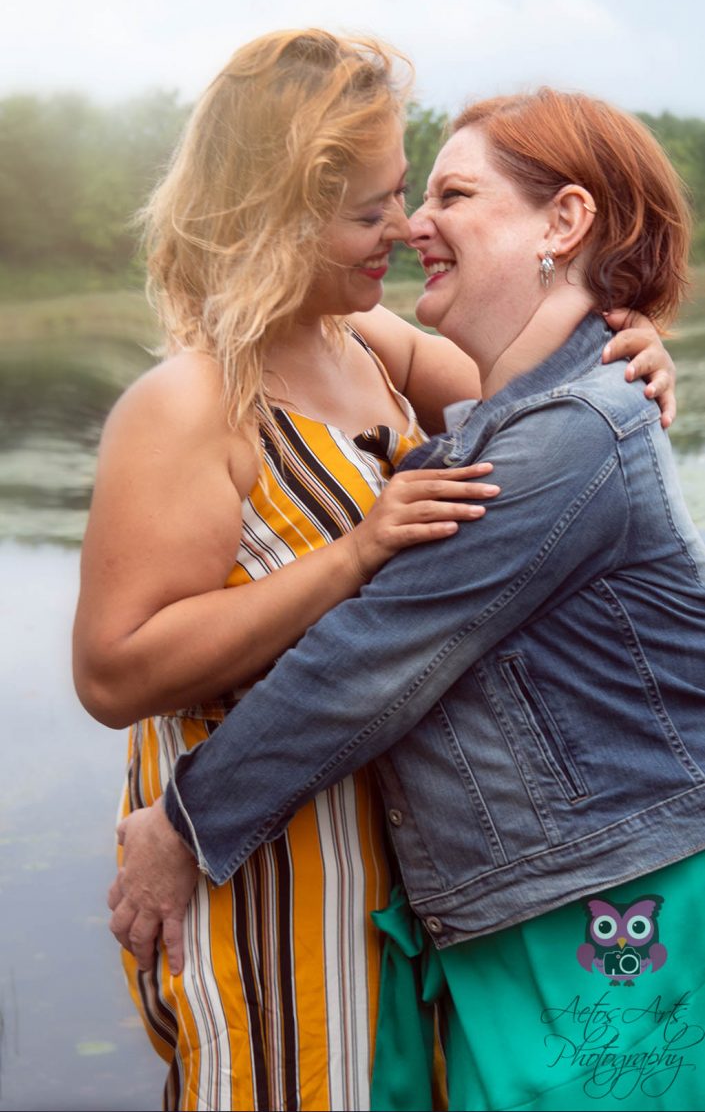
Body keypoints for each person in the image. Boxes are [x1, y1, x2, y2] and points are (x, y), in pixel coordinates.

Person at [106, 86, 704, 1111]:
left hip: (598, 899)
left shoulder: (567, 433)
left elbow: (374, 651)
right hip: (511, 901)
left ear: (562, 223)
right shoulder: (500, 411)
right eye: (388, 202)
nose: (414, 224)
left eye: (449, 193)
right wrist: (634, 319)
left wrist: (186, 822)